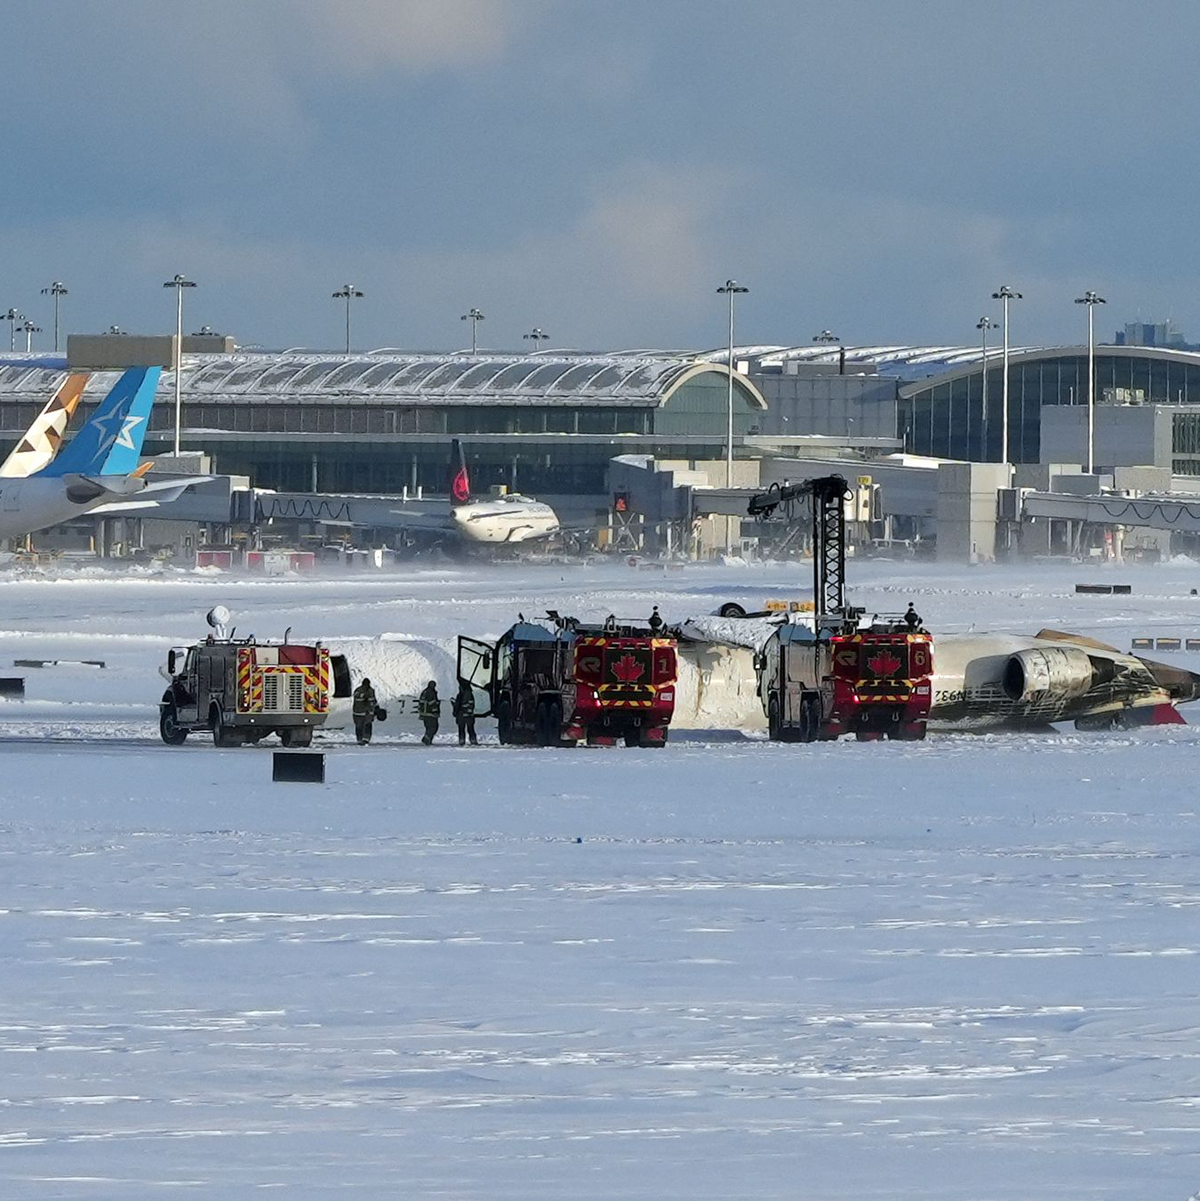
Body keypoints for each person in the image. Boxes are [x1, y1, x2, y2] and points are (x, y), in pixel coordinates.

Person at [352, 676, 378, 745]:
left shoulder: (358, 690)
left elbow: (373, 700)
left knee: (360, 726)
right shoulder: (369, 690)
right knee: (366, 726)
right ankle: (365, 739)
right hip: (365, 713)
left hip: (359, 713)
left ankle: (361, 739)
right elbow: (372, 701)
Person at [452, 680, 478, 746]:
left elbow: (457, 705)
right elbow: (472, 705)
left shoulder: (460, 695)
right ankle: (473, 740)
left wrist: (455, 712)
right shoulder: (471, 695)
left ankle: (462, 740)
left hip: (461, 715)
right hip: (469, 716)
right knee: (471, 728)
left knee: (461, 729)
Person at [418, 680, 441, 745]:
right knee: (434, 727)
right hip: (430, 714)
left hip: (424, 713)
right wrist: (435, 711)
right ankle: (426, 739)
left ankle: (428, 740)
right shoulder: (431, 692)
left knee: (428, 727)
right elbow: (432, 703)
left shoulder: (424, 692)